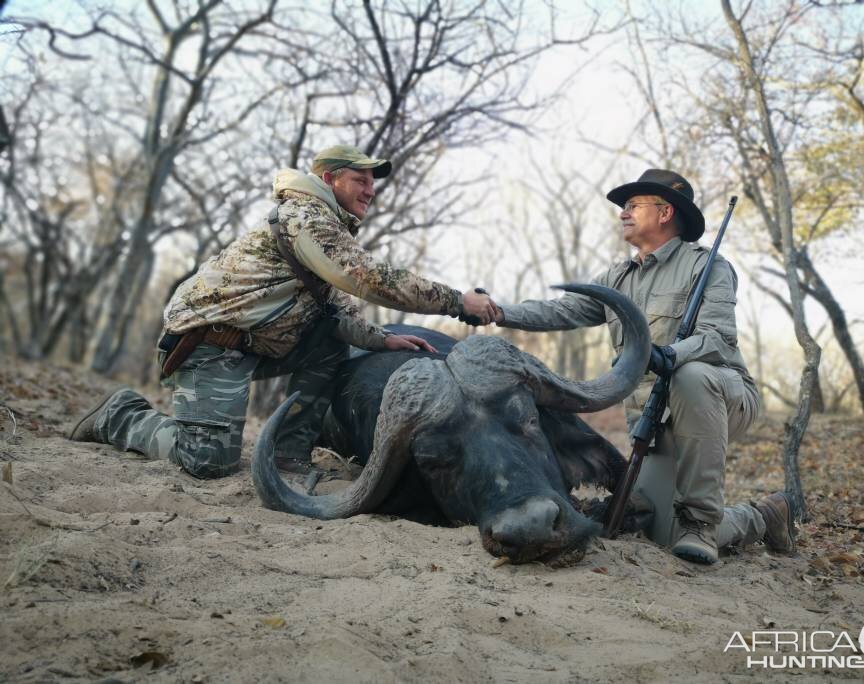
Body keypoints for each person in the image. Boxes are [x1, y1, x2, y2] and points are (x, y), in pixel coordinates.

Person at [70, 144, 497, 478]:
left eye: (373, 182)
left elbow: (337, 313)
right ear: (329, 179)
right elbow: (367, 278)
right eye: (360, 179)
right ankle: (122, 415)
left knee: (330, 343)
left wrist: (382, 339)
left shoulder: (327, 227)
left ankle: (289, 453)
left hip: (256, 344)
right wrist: (458, 302)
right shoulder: (305, 217)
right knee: (206, 463)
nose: (370, 189)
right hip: (209, 343)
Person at [493, 169, 796, 564]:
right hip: (654, 420)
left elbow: (717, 338)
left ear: (665, 212)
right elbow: (561, 310)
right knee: (656, 530)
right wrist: (497, 311)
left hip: (718, 398)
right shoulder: (617, 277)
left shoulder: (708, 267)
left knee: (690, 375)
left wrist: (668, 356)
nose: (623, 213)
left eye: (633, 205)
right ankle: (764, 515)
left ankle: (702, 523)